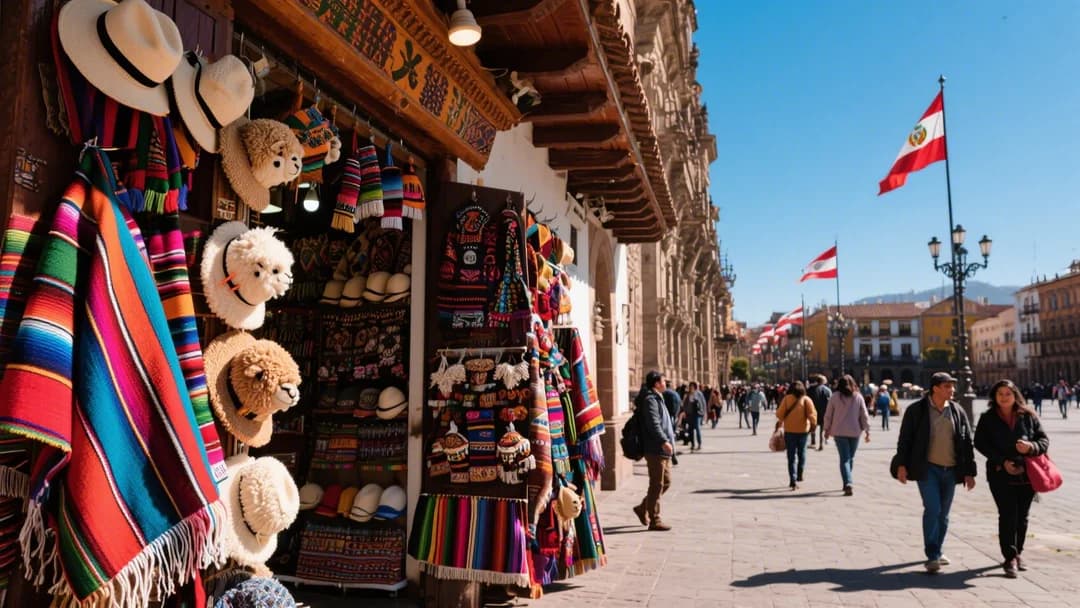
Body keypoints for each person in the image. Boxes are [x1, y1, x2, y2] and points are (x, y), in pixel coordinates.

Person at [892, 372, 977, 574]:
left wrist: (969, 472)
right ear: (936, 388)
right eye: (948, 386)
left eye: (952, 386)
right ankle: (932, 554)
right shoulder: (917, 411)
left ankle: (938, 549)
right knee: (933, 509)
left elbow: (966, 443)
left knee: (944, 514)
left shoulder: (957, 410)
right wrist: (901, 465)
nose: (952, 390)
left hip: (951, 468)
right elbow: (905, 440)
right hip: (928, 468)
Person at [974, 379, 1049, 578]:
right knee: (1007, 514)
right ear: (995, 397)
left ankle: (1018, 553)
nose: (1004, 397)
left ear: (1015, 395)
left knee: (1022, 516)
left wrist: (1031, 447)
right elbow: (980, 443)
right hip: (1000, 473)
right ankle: (1009, 557)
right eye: (1000, 394)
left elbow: (1043, 440)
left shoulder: (1028, 416)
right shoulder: (988, 418)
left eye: (1008, 393)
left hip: (1026, 474)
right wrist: (1002, 460)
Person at [632, 370, 675, 531]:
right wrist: (663, 440)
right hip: (655, 448)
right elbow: (653, 423)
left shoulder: (657, 397)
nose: (665, 383)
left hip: (661, 449)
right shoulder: (651, 400)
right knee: (657, 483)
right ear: (656, 383)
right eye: (663, 381)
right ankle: (654, 519)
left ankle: (643, 508)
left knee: (666, 482)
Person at [823, 374, 870, 496]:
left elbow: (828, 415)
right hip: (855, 432)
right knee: (850, 458)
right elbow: (864, 415)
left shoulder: (834, 397)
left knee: (845, 459)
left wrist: (826, 429)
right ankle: (848, 481)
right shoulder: (858, 397)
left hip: (839, 432)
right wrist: (867, 430)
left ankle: (847, 482)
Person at [776, 381, 818, 490]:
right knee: (802, 453)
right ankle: (800, 473)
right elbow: (812, 414)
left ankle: (792, 480)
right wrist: (813, 425)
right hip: (803, 431)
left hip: (789, 431)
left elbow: (780, 414)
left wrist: (780, 423)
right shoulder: (806, 399)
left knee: (791, 456)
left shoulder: (787, 399)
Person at [807, 374, 832, 450]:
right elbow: (830, 402)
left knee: (812, 426)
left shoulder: (810, 389)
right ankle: (821, 443)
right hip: (824, 411)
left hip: (813, 411)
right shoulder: (827, 390)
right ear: (824, 381)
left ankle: (813, 442)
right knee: (822, 428)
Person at [682, 381, 707, 451]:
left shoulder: (699, 394)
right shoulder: (688, 394)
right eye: (690, 386)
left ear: (695, 387)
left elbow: (703, 403)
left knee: (698, 429)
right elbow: (685, 404)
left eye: (692, 386)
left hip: (697, 414)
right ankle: (692, 444)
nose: (691, 387)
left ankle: (699, 443)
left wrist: (704, 413)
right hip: (689, 414)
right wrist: (684, 411)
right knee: (690, 430)